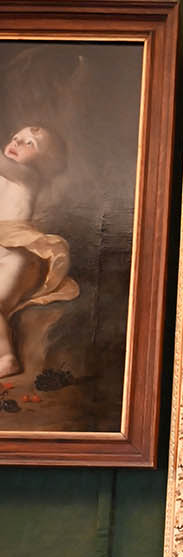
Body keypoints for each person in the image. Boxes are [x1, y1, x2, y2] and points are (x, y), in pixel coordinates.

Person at [0, 124, 78, 378]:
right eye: (16, 137)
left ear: (44, 161)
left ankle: (5, 358)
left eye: (29, 143)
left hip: (19, 255)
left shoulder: (28, 175)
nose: (17, 143)